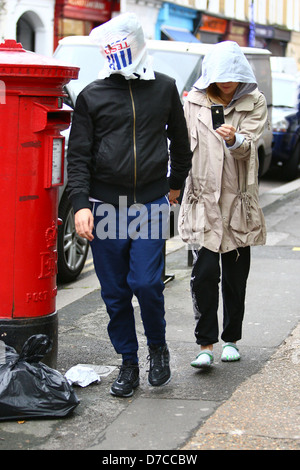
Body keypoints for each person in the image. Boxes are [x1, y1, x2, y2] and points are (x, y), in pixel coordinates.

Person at [67, 13, 192, 397]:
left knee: (146, 283)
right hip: (105, 206)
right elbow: (78, 156)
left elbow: (181, 144)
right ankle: (128, 362)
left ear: (139, 46)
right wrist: (79, 205)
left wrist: (175, 186)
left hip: (151, 204)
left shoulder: (165, 89)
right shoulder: (92, 95)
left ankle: (158, 348)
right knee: (115, 292)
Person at [178, 41, 268, 368]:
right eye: (221, 76)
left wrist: (234, 139)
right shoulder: (193, 102)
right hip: (202, 200)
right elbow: (181, 145)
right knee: (203, 275)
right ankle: (205, 344)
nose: (227, 82)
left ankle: (231, 338)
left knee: (234, 276)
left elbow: (250, 146)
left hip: (236, 202)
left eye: (232, 76)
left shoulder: (254, 102)